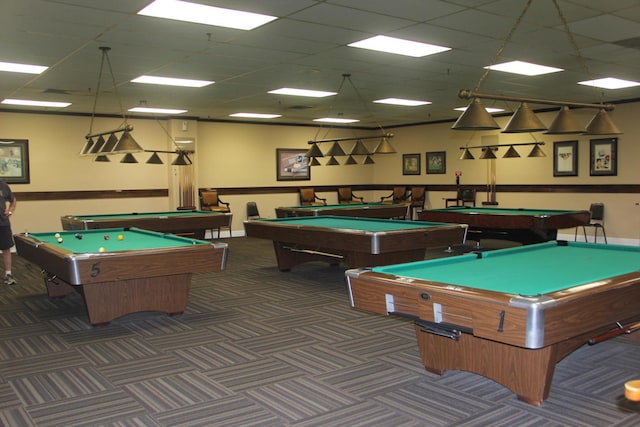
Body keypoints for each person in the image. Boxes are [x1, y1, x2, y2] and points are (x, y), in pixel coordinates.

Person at [0, 180, 17, 285]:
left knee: (6, 248)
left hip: (3, 223)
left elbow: (13, 200)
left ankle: (8, 274)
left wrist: (10, 210)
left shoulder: (3, 185)